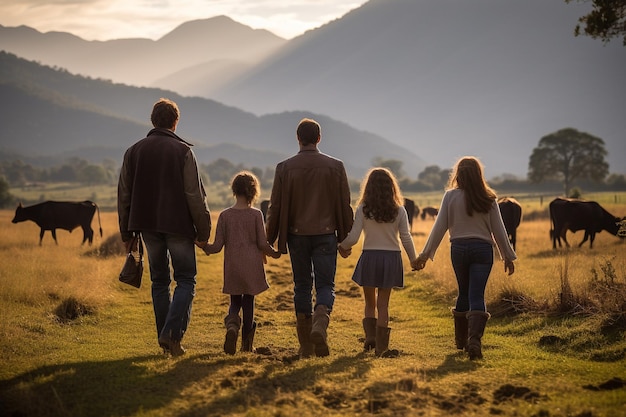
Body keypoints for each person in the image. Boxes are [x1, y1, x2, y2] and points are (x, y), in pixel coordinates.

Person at [118, 98, 211, 357]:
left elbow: (123, 194)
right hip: (179, 226)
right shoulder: (183, 151)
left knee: (159, 281)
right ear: (175, 122)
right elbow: (194, 195)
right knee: (186, 279)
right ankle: (171, 335)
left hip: (146, 226)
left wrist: (126, 233)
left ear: (153, 120)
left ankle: (167, 341)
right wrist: (203, 232)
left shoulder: (133, 151)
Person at [265, 118, 354, 358]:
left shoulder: (284, 168)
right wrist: (345, 240)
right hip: (327, 235)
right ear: (319, 138)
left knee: (301, 286)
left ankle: (305, 346)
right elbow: (345, 206)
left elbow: (275, 207)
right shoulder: (336, 166)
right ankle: (319, 325)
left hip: (296, 236)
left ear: (298, 138)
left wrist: (268, 240)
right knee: (325, 285)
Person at [413, 156, 516, 360]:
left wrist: (424, 255)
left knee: (463, 293)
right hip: (482, 249)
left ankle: (461, 342)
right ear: (479, 174)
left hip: (459, 249)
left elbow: (439, 227)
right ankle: (474, 341)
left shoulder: (450, 196)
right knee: (477, 295)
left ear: (458, 174)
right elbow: (499, 230)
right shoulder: (489, 198)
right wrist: (508, 256)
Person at [338, 168, 418, 357]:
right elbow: (406, 237)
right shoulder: (399, 210)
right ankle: (381, 348)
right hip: (391, 259)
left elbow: (354, 237)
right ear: (392, 187)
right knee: (383, 305)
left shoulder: (364, 208)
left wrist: (342, 246)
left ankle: (370, 339)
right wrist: (414, 259)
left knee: (369, 303)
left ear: (369, 187)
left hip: (370, 257)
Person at [203, 171, 280, 354]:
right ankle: (246, 345)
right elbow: (262, 243)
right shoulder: (255, 215)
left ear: (234, 190)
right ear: (254, 192)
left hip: (233, 267)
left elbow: (217, 246)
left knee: (235, 300)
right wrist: (274, 253)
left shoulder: (224, 215)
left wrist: (203, 246)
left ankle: (231, 325)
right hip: (252, 266)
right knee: (249, 302)